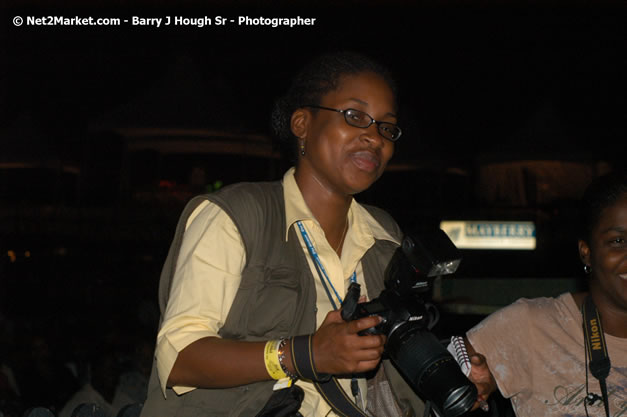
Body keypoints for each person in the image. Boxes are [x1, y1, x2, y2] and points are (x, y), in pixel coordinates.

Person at [140, 51, 426, 417]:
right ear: (302, 124)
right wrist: (307, 354)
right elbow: (180, 358)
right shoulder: (236, 215)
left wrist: (453, 376)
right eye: (355, 117)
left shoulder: (385, 236)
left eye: (386, 127)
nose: (374, 137)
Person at [465, 171, 627, 417]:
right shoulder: (532, 325)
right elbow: (426, 389)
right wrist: (464, 388)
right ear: (587, 251)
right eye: (618, 241)